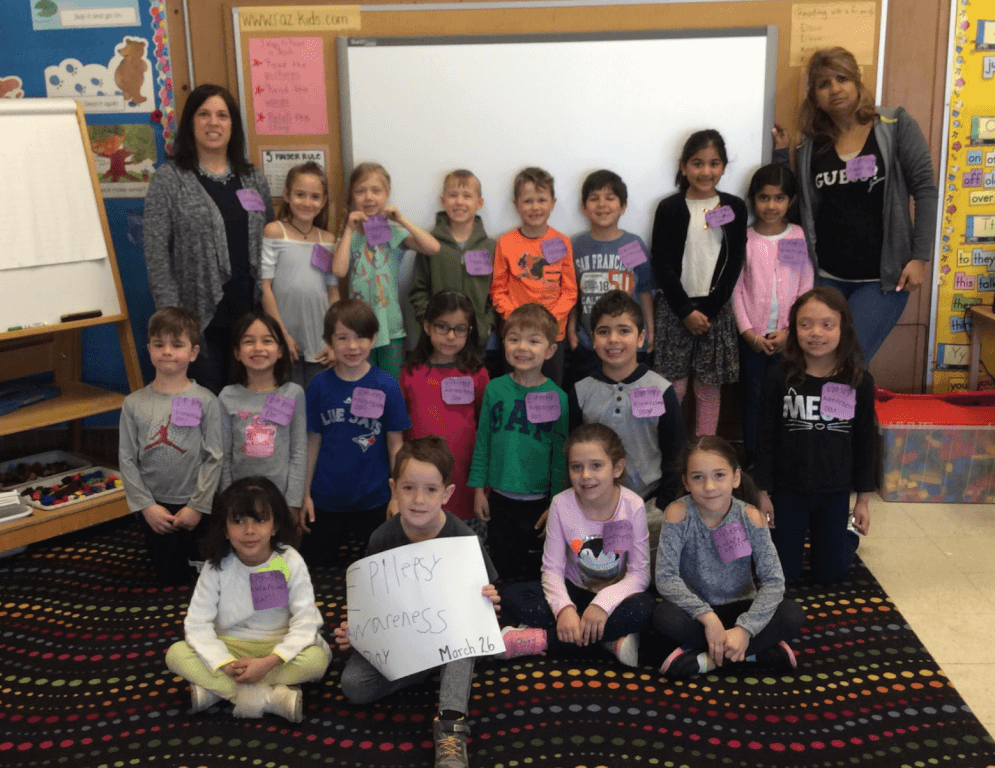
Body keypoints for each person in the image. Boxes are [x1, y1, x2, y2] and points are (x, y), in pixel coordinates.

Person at [335, 437, 500, 768]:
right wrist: (358, 632)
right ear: (394, 488)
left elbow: (486, 594)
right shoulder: (382, 537)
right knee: (353, 685)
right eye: (409, 488)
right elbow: (373, 604)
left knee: (463, 644)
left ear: (447, 494)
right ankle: (430, 666)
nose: (419, 500)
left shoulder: (463, 538)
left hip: (452, 634)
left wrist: (488, 602)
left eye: (430, 490)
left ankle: (452, 722)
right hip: (402, 636)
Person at [772, 46, 938, 362]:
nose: (835, 89)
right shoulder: (811, 146)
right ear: (814, 95)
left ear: (857, 81)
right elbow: (799, 208)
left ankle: (857, 412)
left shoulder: (894, 125)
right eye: (823, 84)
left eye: (842, 79)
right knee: (818, 363)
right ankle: (852, 412)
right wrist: (782, 155)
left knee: (848, 361)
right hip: (826, 278)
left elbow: (925, 191)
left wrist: (920, 257)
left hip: (882, 279)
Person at [165, 477, 331, 722]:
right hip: (231, 647)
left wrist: (269, 662)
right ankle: (269, 699)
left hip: (277, 647)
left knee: (316, 660)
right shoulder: (216, 566)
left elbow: (306, 621)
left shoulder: (290, 561)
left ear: (274, 526)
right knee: (175, 654)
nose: (249, 530)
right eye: (238, 521)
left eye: (260, 520)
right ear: (225, 527)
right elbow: (197, 624)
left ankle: (218, 691)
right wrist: (223, 663)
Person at [144, 84, 274, 394]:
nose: (213, 123)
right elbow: (156, 253)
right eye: (203, 114)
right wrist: (173, 320)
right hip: (197, 318)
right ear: (190, 123)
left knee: (248, 400)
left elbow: (270, 238)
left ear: (233, 125)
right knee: (208, 400)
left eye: (222, 115)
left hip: (250, 315)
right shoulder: (170, 178)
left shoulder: (252, 177)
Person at [499, 424, 655, 667]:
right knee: (511, 597)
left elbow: (639, 574)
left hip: (614, 598)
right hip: (573, 590)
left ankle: (541, 639)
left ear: (617, 468)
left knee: (645, 609)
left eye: (596, 465)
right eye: (576, 467)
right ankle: (606, 639)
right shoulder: (561, 504)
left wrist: (603, 604)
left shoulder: (632, 505)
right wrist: (563, 610)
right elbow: (552, 570)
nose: (585, 476)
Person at [654, 436, 805, 678]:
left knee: (792, 613)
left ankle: (708, 660)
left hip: (741, 608)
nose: (709, 486)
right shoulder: (678, 513)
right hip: (698, 614)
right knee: (663, 617)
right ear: (686, 482)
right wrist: (708, 618)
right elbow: (665, 577)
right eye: (698, 477)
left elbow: (774, 580)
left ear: (735, 478)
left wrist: (745, 629)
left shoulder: (751, 516)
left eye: (719, 475)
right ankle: (757, 652)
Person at [755, 287, 875, 584]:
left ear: (842, 328)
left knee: (830, 574)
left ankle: (844, 539)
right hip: (788, 491)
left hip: (834, 492)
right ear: (793, 329)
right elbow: (765, 436)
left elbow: (865, 443)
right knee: (785, 576)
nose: (815, 333)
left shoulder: (858, 380)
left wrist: (862, 501)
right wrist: (762, 493)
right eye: (805, 324)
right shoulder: (779, 376)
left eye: (827, 325)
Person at [569, 291, 684, 571]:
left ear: (641, 338)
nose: (614, 340)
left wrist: (666, 502)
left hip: (650, 503)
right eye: (604, 332)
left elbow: (675, 451)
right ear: (592, 338)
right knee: (600, 576)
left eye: (624, 331)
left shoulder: (661, 389)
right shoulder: (580, 392)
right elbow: (569, 454)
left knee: (648, 578)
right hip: (595, 503)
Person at [650, 130, 747, 436]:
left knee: (708, 389)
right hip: (675, 308)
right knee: (673, 387)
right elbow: (661, 263)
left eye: (714, 163)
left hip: (714, 311)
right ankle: (673, 451)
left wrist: (710, 309)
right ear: (684, 167)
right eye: (697, 163)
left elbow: (734, 262)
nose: (706, 171)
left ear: (723, 166)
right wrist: (685, 311)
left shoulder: (733, 207)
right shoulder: (669, 207)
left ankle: (704, 450)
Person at [300, 299, 411, 567]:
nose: (352, 346)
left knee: (379, 574)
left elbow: (396, 445)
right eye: (342, 338)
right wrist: (304, 496)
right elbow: (312, 442)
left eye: (361, 337)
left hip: (374, 500)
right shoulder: (317, 386)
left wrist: (397, 497)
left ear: (374, 338)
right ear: (329, 341)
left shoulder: (387, 386)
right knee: (316, 572)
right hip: (324, 500)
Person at [118, 306, 223, 585]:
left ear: (193, 352)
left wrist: (198, 505)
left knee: (206, 575)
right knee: (168, 577)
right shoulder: (133, 404)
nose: (167, 351)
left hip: (197, 504)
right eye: (159, 344)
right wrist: (146, 506)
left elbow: (215, 457)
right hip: (155, 508)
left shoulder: (206, 400)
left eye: (177, 345)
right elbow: (127, 460)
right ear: (149, 349)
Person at [468, 303, 569, 581]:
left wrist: (556, 503)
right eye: (514, 339)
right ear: (503, 344)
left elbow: (560, 456)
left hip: (539, 502)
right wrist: (478, 489)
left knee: (540, 572)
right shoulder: (494, 389)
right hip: (500, 498)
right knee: (504, 567)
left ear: (550, 350)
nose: (522, 347)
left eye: (533, 341)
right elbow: (483, 440)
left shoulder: (558, 397)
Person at [732, 164, 814, 468]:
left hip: (787, 339)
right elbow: (736, 289)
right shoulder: (745, 239)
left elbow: (805, 283)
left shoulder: (797, 236)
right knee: (753, 397)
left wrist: (791, 331)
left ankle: (784, 454)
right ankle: (754, 456)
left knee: (787, 394)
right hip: (753, 338)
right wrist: (748, 333)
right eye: (764, 198)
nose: (771, 205)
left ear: (790, 201)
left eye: (779, 198)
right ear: (754, 199)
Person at [331, 163, 441, 379]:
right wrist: (348, 230)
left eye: (376, 190)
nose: (369, 197)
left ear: (387, 194)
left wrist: (401, 219)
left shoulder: (393, 232)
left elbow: (433, 248)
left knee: (391, 385)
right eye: (360, 191)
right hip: (358, 329)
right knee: (362, 383)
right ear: (352, 196)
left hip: (391, 327)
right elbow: (339, 270)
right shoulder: (349, 236)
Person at [400, 291, 489, 525]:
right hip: (419, 488)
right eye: (443, 327)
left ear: (469, 332)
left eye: (460, 329)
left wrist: (481, 487)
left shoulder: (477, 375)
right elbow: (398, 435)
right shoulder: (410, 375)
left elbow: (485, 431)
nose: (451, 336)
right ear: (427, 327)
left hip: (464, 484)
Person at [490, 167, 578, 387]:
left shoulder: (561, 242)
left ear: (553, 202)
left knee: (550, 389)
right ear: (516, 204)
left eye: (541, 200)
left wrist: (548, 322)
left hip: (552, 335)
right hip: (515, 336)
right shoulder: (505, 243)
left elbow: (569, 291)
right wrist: (517, 320)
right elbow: (498, 290)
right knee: (513, 388)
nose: (535, 207)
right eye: (528, 201)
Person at [567, 170, 655, 385]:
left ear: (622, 207)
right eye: (594, 198)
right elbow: (572, 293)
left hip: (628, 343)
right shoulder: (576, 246)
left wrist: (651, 329)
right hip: (588, 342)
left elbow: (644, 290)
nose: (602, 204)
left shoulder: (633, 245)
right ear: (584, 207)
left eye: (610, 198)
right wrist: (570, 330)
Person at [218, 311, 306, 520]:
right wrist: (227, 500)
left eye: (267, 341)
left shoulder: (293, 393)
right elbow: (223, 456)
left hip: (281, 499)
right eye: (249, 342)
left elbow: (299, 453)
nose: (258, 348)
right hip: (239, 500)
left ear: (280, 351)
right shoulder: (226, 396)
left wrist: (294, 502)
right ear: (237, 352)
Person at [260, 161, 338, 389]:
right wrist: (280, 334)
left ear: (323, 202)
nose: (307, 202)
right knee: (287, 400)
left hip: (319, 337)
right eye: (300, 194)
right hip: (284, 336)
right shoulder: (274, 231)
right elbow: (265, 287)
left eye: (315, 197)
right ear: (286, 195)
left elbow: (332, 292)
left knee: (316, 403)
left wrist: (334, 338)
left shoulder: (328, 240)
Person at [408, 169, 499, 357]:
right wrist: (430, 323)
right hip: (438, 341)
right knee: (437, 383)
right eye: (453, 195)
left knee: (475, 384)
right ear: (443, 201)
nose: (459, 202)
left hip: (477, 340)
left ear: (479, 203)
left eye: (467, 196)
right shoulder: (429, 245)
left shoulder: (491, 247)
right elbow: (419, 289)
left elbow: (495, 292)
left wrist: (486, 325)